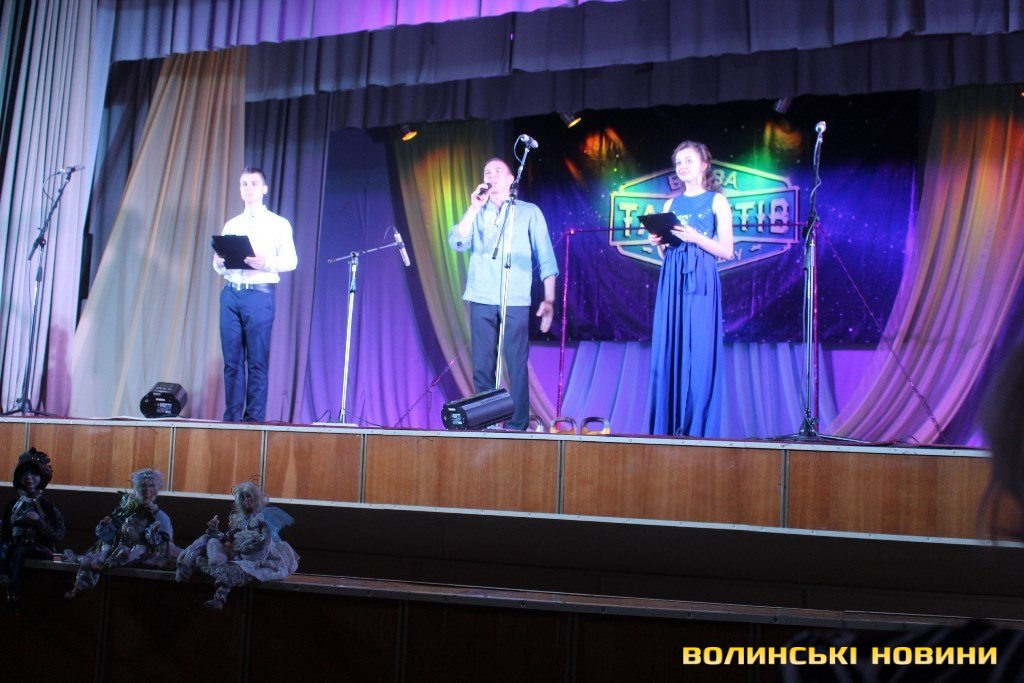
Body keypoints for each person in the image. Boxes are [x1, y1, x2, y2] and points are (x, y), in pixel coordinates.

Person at [448, 157, 559, 430]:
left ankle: (516, 427)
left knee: (516, 363)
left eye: (498, 171)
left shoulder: (529, 212)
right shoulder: (477, 212)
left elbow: (546, 257)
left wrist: (549, 299)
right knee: (482, 365)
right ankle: (484, 424)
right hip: (481, 295)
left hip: (515, 297)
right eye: (487, 172)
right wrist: (474, 208)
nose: (492, 176)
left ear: (511, 179)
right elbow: (457, 242)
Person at [647, 140, 734, 437]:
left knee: (699, 349)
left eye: (688, 161)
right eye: (678, 162)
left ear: (704, 165)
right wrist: (658, 244)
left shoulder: (716, 201)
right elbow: (667, 253)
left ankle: (698, 428)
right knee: (671, 345)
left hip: (702, 278)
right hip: (673, 276)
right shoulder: (670, 204)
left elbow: (727, 251)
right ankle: (669, 426)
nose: (682, 167)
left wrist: (697, 238)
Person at [213, 166, 298, 422]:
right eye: (244, 184)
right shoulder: (232, 224)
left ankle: (253, 421)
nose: (248, 188)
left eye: (253, 183)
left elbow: (291, 261)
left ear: (264, 189)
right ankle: (231, 419)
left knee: (257, 361)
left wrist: (266, 262)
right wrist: (218, 262)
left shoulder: (278, 224)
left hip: (259, 296)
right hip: (231, 293)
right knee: (232, 362)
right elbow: (222, 265)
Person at [175, 481, 298, 610]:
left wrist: (246, 550)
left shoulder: (262, 519)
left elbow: (264, 543)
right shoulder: (237, 519)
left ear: (256, 498)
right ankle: (187, 563)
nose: (246, 500)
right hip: (236, 553)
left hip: (256, 558)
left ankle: (219, 598)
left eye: (248, 496)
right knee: (209, 541)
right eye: (243, 498)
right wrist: (216, 532)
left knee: (233, 570)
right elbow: (228, 538)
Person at [63, 468, 178, 598]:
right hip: (120, 547)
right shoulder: (126, 510)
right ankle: (79, 586)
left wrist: (152, 534)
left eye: (151, 486)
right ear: (137, 488)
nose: (147, 490)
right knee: (99, 555)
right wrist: (105, 527)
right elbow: (111, 533)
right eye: (143, 486)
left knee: (130, 552)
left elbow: (162, 541)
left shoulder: (159, 516)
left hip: (142, 552)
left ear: (156, 489)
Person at [0, 447, 65, 613]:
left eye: (34, 474)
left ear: (42, 477)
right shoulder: (13, 504)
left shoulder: (47, 506)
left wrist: (39, 522)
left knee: (22, 551)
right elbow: (4, 531)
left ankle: (14, 589)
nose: (29, 478)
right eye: (25, 473)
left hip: (39, 549)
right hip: (14, 547)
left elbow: (57, 535)